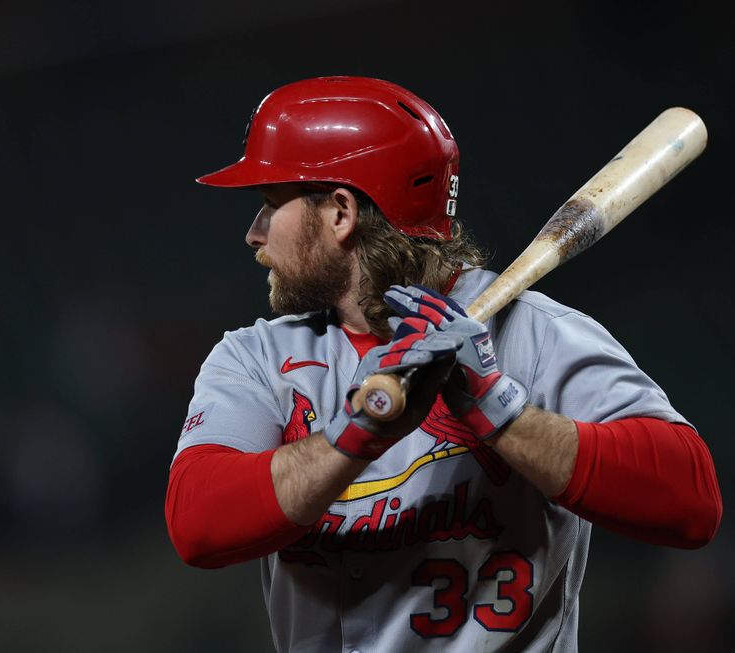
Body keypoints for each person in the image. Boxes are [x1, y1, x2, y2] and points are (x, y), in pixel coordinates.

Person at [165, 76, 722, 652]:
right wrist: (355, 434)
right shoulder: (257, 357)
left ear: (341, 213)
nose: (253, 234)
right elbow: (197, 526)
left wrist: (502, 412)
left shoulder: (533, 333)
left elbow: (692, 502)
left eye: (269, 204)